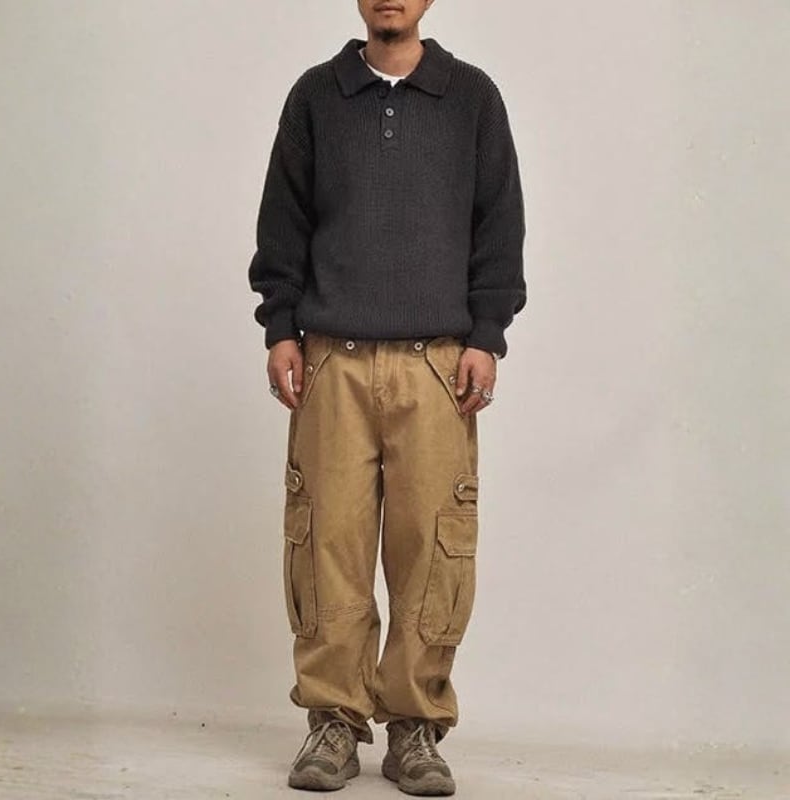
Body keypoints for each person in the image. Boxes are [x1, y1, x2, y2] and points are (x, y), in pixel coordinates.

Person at [247, 1, 526, 794]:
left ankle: (415, 727)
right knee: (325, 543)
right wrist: (280, 328)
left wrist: (486, 335)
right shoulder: (316, 96)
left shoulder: (471, 97)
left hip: (436, 366)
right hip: (331, 363)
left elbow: (499, 224)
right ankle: (333, 722)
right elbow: (282, 222)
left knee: (432, 550)